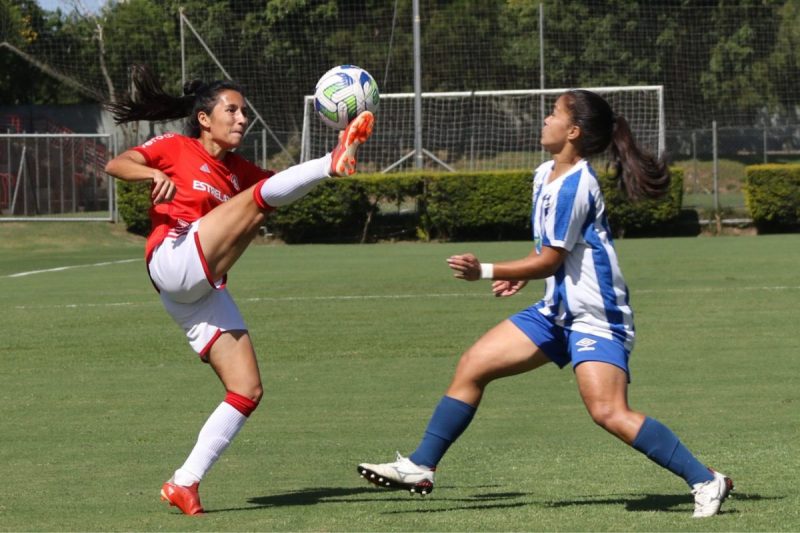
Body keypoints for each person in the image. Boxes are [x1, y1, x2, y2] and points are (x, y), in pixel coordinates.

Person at [356, 89, 733, 518]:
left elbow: (552, 258)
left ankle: (706, 480)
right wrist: (523, 273)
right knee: (474, 365)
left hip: (596, 318)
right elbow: (551, 255)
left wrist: (488, 270)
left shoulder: (578, 184)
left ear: (573, 131)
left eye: (553, 113)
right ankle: (421, 466)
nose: (545, 119)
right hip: (556, 313)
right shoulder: (543, 175)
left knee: (608, 411)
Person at [104, 65, 374, 515]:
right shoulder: (177, 147)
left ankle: (184, 482)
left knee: (246, 389)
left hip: (200, 291)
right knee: (255, 201)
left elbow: (278, 189)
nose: (242, 119)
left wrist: (318, 173)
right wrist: (150, 176)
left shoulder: (238, 170)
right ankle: (333, 158)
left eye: (244, 112)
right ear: (204, 119)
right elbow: (118, 163)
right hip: (172, 257)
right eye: (232, 110)